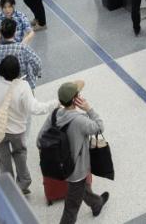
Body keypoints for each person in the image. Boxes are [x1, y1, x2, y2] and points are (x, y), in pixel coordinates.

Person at [0, 54, 56, 197]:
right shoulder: (22, 86)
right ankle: (24, 182)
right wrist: (55, 103)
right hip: (17, 130)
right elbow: (35, 108)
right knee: (20, 153)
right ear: (17, 71)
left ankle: (9, 187)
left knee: (3, 158)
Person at [41, 80, 109, 223]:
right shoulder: (80, 120)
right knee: (71, 207)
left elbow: (39, 139)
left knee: (81, 188)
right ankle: (95, 204)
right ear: (75, 100)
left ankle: (96, 203)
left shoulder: (54, 115)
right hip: (76, 171)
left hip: (57, 167)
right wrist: (89, 109)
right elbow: (99, 127)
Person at [0, 16, 43, 87]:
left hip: (0, 88)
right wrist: (36, 74)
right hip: (22, 86)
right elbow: (37, 62)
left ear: (1, 33)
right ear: (14, 32)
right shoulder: (23, 48)